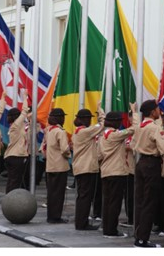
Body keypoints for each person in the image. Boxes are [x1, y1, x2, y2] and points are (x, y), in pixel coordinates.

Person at [98, 103, 137, 239]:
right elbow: (134, 129)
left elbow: (99, 155)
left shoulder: (103, 136)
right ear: (115, 123)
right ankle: (111, 230)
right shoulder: (115, 135)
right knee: (114, 203)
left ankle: (107, 228)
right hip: (116, 172)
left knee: (107, 202)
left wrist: (100, 111)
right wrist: (134, 112)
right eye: (120, 121)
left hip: (106, 171)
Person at [130, 99, 164, 248]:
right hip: (152, 164)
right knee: (149, 202)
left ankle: (138, 235)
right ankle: (142, 239)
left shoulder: (140, 127)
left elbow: (132, 144)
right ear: (152, 112)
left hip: (141, 163)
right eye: (158, 109)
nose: (160, 112)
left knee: (140, 201)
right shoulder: (153, 128)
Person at [72, 101, 104, 231]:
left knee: (82, 197)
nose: (90, 121)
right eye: (89, 118)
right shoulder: (84, 131)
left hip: (81, 167)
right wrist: (100, 111)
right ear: (84, 120)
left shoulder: (78, 131)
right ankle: (82, 223)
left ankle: (81, 221)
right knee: (85, 197)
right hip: (86, 168)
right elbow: (103, 124)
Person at [42, 108, 71, 223]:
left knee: (51, 193)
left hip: (50, 165)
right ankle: (56, 217)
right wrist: (69, 153)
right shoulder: (60, 131)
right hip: (60, 166)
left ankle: (50, 216)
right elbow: (64, 149)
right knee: (58, 194)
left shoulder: (48, 130)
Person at [4, 90, 30, 194]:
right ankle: (12, 199)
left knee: (12, 180)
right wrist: (25, 98)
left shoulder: (15, 127)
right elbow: (24, 112)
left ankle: (9, 198)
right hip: (17, 156)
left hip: (11, 156)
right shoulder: (16, 125)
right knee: (15, 181)